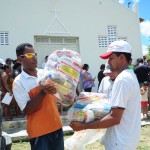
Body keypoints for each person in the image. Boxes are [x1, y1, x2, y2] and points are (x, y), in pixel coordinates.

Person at [70, 40, 141, 150]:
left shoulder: (122, 79)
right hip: (126, 139)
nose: (108, 62)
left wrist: (84, 126)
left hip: (119, 142)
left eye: (111, 58)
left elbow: (114, 118)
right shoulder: (130, 76)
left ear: (122, 57)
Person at [12, 43, 64, 150]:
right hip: (39, 132)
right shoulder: (18, 82)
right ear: (19, 59)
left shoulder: (44, 74)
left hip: (57, 127)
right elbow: (27, 109)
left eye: (34, 54)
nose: (34, 57)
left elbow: (57, 97)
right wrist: (43, 91)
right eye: (29, 55)